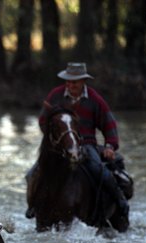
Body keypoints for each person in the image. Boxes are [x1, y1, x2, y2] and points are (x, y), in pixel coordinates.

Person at [27, 62, 129, 218]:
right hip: (59, 146)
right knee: (32, 173)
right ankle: (33, 206)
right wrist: (54, 139)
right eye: (68, 81)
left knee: (100, 171)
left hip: (86, 144)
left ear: (83, 81)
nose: (70, 84)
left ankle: (120, 202)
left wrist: (110, 146)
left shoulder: (95, 99)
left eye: (74, 81)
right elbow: (43, 120)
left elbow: (109, 124)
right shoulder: (55, 95)